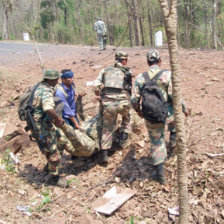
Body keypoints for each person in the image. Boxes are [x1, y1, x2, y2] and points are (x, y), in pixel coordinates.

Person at [131, 50, 189, 185]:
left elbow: (134, 100)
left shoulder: (140, 78)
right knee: (173, 116)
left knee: (156, 142)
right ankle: (173, 142)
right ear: (160, 61)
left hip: (151, 116)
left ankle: (160, 174)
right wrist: (184, 109)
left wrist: (139, 112)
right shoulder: (167, 75)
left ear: (147, 62)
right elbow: (175, 95)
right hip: (168, 115)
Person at [31, 69, 73, 187]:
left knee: (62, 141)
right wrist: (58, 119)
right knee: (53, 150)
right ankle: (54, 177)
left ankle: (50, 166)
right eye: (55, 80)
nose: (57, 82)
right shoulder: (45, 91)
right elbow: (48, 108)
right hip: (41, 126)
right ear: (49, 79)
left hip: (45, 123)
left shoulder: (39, 86)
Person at [94, 51, 132, 163]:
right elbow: (129, 88)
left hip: (108, 104)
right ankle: (124, 138)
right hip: (123, 102)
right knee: (127, 117)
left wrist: (99, 94)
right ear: (124, 60)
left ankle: (105, 154)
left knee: (107, 128)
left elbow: (96, 85)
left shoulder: (105, 70)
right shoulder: (127, 71)